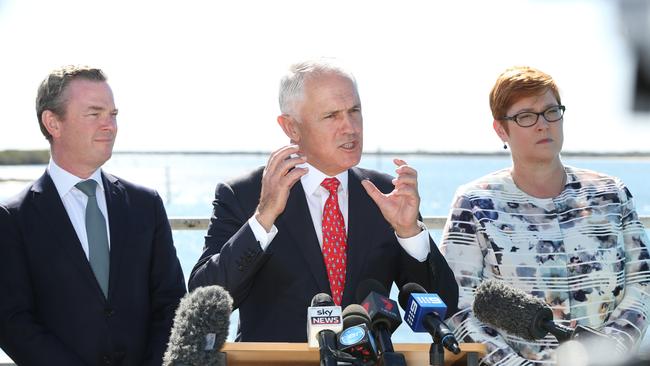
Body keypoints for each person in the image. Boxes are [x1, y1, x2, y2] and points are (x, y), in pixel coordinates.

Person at [188, 59, 458, 342]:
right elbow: (204, 303)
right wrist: (263, 218)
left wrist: (409, 233)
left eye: (354, 111)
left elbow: (443, 307)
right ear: (291, 127)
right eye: (332, 116)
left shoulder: (385, 193)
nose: (350, 127)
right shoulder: (245, 194)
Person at [440, 66, 650, 365]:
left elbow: (642, 283)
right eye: (526, 116)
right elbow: (459, 306)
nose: (543, 125)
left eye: (551, 111)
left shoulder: (611, 193)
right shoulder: (475, 203)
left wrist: (609, 353)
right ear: (501, 129)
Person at [0, 65, 187, 365]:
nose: (109, 125)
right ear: (53, 123)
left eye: (113, 114)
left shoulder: (145, 205)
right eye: (94, 114)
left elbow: (172, 304)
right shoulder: (12, 219)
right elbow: (13, 322)